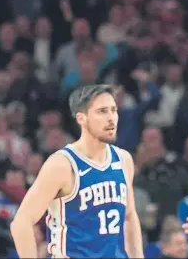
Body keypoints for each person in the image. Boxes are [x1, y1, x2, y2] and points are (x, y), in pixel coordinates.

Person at [11, 85, 144, 258]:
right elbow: (21, 222)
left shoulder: (123, 160)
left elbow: (129, 217)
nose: (111, 118)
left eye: (114, 110)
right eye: (102, 111)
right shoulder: (62, 164)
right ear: (81, 118)